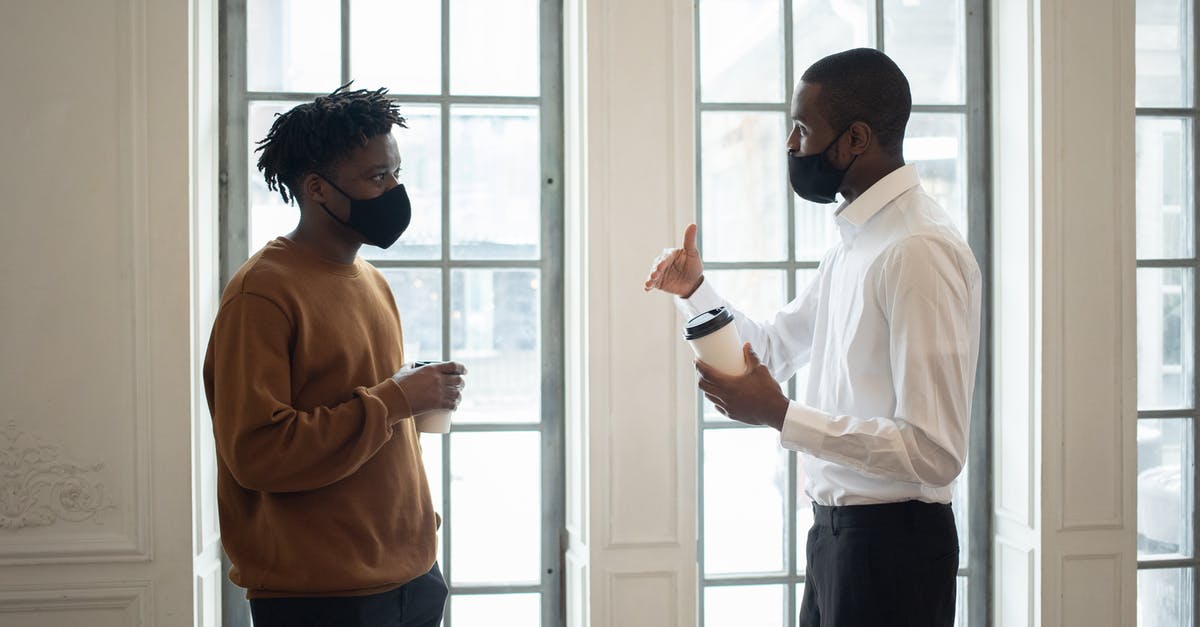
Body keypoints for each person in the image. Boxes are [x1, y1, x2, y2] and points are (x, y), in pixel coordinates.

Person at [645, 49, 981, 626]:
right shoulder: (856, 244)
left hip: (894, 550)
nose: (790, 144)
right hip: (834, 539)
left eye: (802, 128)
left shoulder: (918, 250)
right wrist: (695, 290)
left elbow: (934, 450)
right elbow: (772, 348)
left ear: (855, 139)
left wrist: (783, 416)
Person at [203, 85, 466, 627]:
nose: (393, 190)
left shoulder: (372, 281)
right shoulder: (262, 293)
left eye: (395, 173)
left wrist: (414, 397)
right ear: (318, 189)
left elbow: (367, 407)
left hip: (414, 578)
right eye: (376, 177)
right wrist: (395, 400)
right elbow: (258, 451)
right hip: (322, 597)